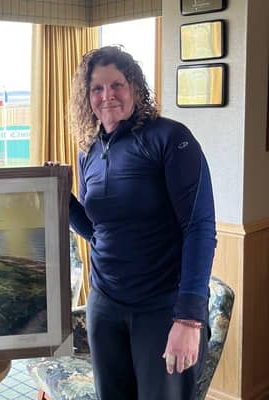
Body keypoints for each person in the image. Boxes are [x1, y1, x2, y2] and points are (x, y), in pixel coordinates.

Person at [63, 45, 216, 399]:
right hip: (105, 305)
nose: (107, 96)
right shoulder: (89, 152)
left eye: (116, 84)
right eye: (97, 88)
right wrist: (65, 202)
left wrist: (189, 319)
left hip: (161, 308)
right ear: (87, 97)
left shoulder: (170, 138)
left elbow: (200, 228)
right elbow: (97, 232)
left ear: (134, 87)